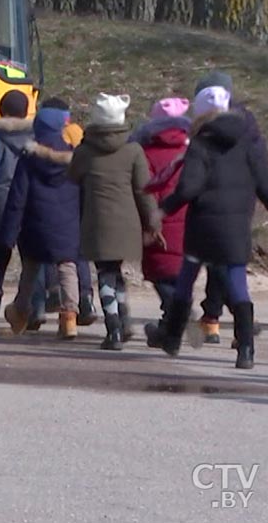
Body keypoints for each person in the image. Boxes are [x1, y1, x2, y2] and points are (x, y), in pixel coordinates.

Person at [156, 86, 268, 369]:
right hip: (235, 229)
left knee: (186, 280)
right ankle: (245, 348)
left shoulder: (201, 142)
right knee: (238, 285)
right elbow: (264, 185)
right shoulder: (247, 142)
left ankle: (172, 338)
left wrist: (164, 208)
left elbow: (188, 188)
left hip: (203, 228)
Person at [66, 93, 162, 349]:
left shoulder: (85, 151)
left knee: (105, 273)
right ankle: (124, 317)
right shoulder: (133, 150)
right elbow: (144, 190)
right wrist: (153, 222)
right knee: (116, 272)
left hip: (96, 221)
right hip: (127, 222)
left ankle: (114, 329)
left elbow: (72, 177)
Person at [191, 72, 268, 347]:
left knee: (218, 263)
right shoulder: (248, 125)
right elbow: (260, 170)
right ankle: (215, 319)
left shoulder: (208, 127)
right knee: (224, 262)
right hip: (240, 204)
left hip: (211, 205)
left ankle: (217, 319)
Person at [0, 106, 82, 339]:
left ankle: (21, 311)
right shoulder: (75, 158)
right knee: (67, 267)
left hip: (35, 224)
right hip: (67, 224)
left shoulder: (29, 159)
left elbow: (17, 198)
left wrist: (9, 233)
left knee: (31, 269)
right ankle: (69, 317)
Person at [133, 96, 191, 346]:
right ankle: (171, 323)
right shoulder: (191, 151)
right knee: (179, 274)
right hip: (189, 220)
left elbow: (148, 191)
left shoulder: (146, 154)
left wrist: (149, 222)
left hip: (161, 220)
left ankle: (176, 315)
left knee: (161, 274)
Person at [38, 96, 97, 325]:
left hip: (57, 201)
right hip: (81, 200)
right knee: (78, 254)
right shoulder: (78, 133)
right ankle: (86, 298)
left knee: (52, 253)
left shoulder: (48, 138)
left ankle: (54, 294)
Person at [0, 90, 34, 325]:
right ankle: (33, 304)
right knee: (31, 257)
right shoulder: (37, 138)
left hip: (0, 203)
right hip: (30, 203)